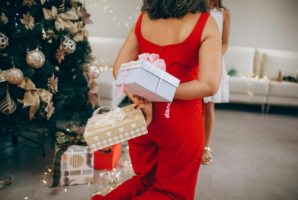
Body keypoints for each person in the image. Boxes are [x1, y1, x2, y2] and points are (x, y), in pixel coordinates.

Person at [92, 0, 222, 199]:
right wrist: (160, 91)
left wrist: (143, 99)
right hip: (180, 121)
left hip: (142, 116)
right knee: (171, 192)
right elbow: (209, 85)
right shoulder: (206, 22)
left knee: (144, 181)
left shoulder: (144, 18)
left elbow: (120, 70)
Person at [202, 0, 230, 165]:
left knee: (209, 106)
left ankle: (206, 146)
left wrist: (214, 56)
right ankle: (194, 144)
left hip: (215, 60)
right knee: (194, 105)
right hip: (197, 59)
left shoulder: (224, 13)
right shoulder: (196, 9)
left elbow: (225, 41)